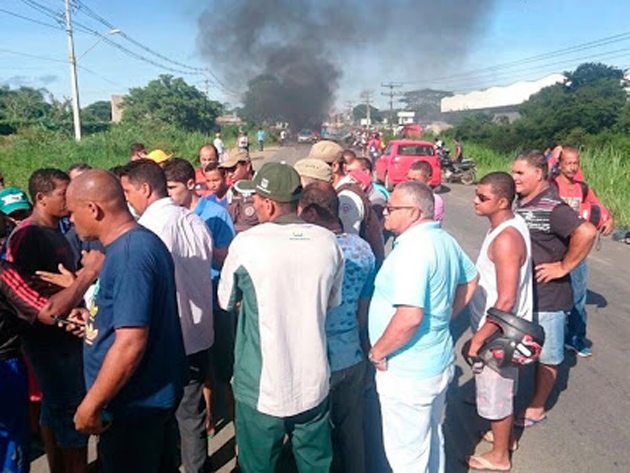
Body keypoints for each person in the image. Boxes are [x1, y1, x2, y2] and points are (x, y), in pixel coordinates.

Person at [218, 162, 344, 472]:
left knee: (259, 465)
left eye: (256, 200)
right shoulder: (328, 242)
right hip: (313, 379)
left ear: (268, 204)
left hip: (262, 385)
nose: (253, 206)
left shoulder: (246, 244)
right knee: (316, 463)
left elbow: (226, 302)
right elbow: (331, 303)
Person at [64, 169, 188, 473]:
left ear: (93, 209)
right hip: (137, 404)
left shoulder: (131, 255)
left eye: (72, 212)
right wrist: (96, 321)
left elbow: (131, 342)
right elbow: (130, 319)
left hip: (135, 407)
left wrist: (90, 405)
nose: (70, 220)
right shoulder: (131, 246)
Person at [368, 181, 478, 473]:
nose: (385, 214)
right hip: (433, 363)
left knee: (406, 457)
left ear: (415, 213)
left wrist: (377, 352)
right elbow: (471, 279)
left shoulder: (412, 252)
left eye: (392, 208)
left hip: (407, 371)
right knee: (430, 439)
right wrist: (446, 316)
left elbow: (410, 317)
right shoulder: (444, 240)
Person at [119, 160, 214, 473]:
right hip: (199, 333)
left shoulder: (148, 230)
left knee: (165, 420)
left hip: (168, 339)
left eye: (128, 191)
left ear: (145, 189)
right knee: (192, 417)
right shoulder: (195, 221)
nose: (127, 200)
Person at [4, 168, 88, 473]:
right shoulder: (28, 235)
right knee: (70, 414)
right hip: (49, 340)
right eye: (62, 194)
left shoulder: (56, 230)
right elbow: (25, 292)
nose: (69, 199)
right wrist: (78, 285)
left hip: (62, 334)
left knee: (56, 410)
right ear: (41, 198)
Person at [512, 150, 596, 428]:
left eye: (520, 173)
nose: (515, 178)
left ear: (538, 174)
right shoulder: (524, 201)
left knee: (548, 357)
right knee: (527, 353)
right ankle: (516, 401)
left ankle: (536, 408)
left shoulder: (552, 206)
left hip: (549, 297)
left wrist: (563, 267)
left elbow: (586, 232)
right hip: (528, 294)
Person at [298, 182, 375, 473]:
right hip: (352, 354)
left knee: (315, 438)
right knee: (352, 430)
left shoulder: (311, 251)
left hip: (317, 357)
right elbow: (363, 309)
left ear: (313, 213)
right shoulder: (363, 249)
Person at [0, 254, 102, 473]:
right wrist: (88, 275)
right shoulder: (3, 271)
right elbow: (48, 311)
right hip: (5, 370)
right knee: (10, 453)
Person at [162, 158, 237, 437]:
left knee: (223, 371)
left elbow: (229, 256)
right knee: (196, 370)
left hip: (215, 299)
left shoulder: (215, 215)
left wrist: (201, 245)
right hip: (185, 303)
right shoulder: (168, 217)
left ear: (191, 185)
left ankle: (237, 428)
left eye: (172, 187)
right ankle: (204, 422)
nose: (168, 194)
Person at [466, 172, 533, 472]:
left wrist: (479, 337)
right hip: (500, 329)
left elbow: (505, 300)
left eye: (483, 197)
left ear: (503, 201)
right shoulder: (508, 226)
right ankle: (504, 439)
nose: (475, 201)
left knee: (497, 394)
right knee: (502, 390)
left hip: (499, 332)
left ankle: (500, 456)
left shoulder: (506, 238)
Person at [553, 147, 613, 357]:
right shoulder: (551, 187)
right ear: (559, 164)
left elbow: (597, 206)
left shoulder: (583, 189)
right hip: (554, 251)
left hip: (577, 251)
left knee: (578, 296)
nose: (572, 167)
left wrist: (608, 219)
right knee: (554, 298)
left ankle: (575, 338)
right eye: (568, 162)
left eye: (575, 163)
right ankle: (553, 339)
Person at [309, 141, 385, 268]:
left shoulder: (346, 197)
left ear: (334, 167)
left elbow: (349, 247)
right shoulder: (339, 192)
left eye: (316, 168)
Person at [219, 149, 259, 233]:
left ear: (247, 166)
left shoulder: (263, 186)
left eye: (233, 169)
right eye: (226, 171)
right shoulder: (231, 192)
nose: (229, 175)